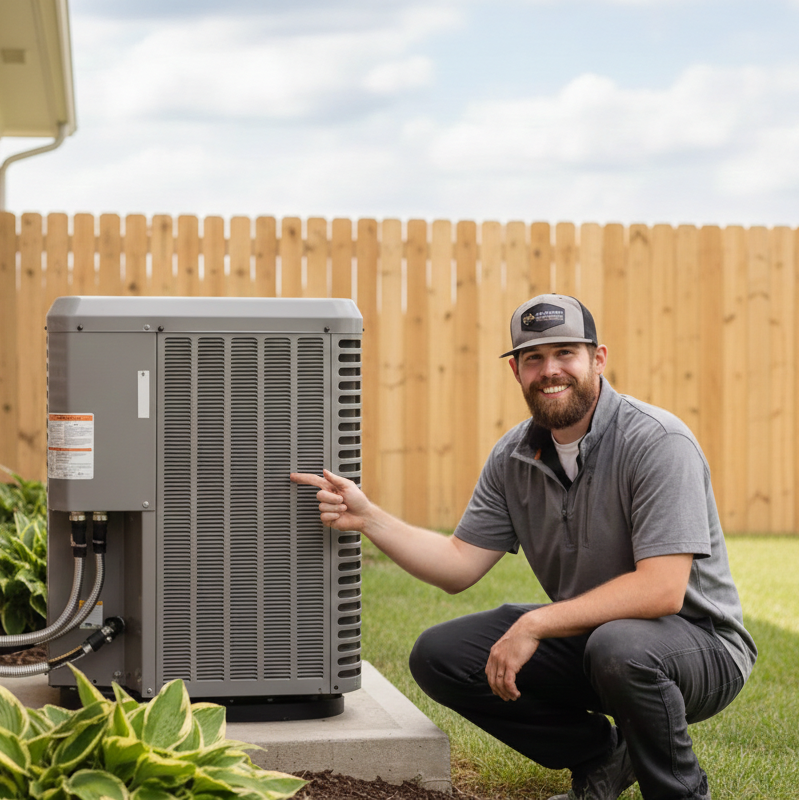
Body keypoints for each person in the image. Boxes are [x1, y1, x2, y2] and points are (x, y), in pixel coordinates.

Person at [291, 294, 756, 800]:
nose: (549, 370)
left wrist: (534, 624)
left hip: (698, 645)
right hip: (595, 638)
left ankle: (680, 793)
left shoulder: (658, 442)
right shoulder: (514, 455)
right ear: (516, 371)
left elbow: (662, 590)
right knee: (441, 655)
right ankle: (601, 756)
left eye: (565, 354)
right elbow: (457, 565)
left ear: (597, 359)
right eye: (533, 358)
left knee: (619, 647)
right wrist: (369, 517)